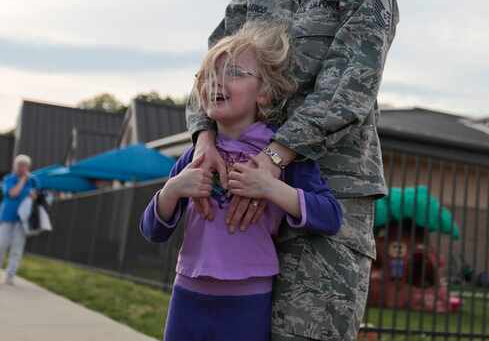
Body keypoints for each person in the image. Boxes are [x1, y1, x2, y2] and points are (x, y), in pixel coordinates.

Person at [186, 0, 399, 341]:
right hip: (241, 195)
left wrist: (276, 158)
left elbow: (351, 85)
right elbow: (209, 73)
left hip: (327, 197)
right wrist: (203, 140)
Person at [141, 22, 342, 341]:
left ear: (263, 93)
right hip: (187, 293)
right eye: (207, 75)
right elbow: (152, 230)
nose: (216, 82)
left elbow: (330, 216)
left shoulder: (284, 155)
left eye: (233, 72)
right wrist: (173, 189)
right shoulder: (197, 156)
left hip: (247, 299)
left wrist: (271, 188)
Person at [0, 153, 38, 285]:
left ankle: (10, 276)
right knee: (0, 246)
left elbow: (37, 197)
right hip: (6, 218)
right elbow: (12, 193)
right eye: (20, 165)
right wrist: (22, 180)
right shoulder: (9, 179)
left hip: (22, 221)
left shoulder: (33, 180)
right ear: (15, 166)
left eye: (25, 165)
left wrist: (34, 195)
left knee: (17, 249)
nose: (22, 168)